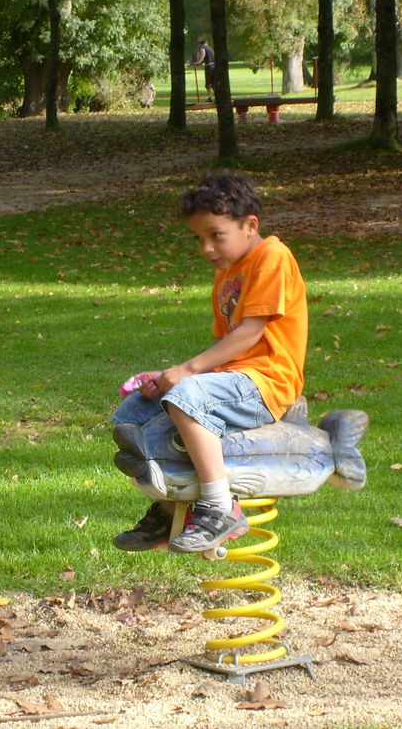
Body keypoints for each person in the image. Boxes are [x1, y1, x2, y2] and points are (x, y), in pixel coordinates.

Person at [111, 172, 308, 553]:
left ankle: (219, 508)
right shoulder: (225, 275)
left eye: (216, 235)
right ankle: (170, 507)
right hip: (232, 382)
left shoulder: (271, 256)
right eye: (198, 238)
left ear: (250, 225)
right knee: (134, 412)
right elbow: (224, 344)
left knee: (186, 394)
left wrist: (187, 374)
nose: (206, 247)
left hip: (266, 384)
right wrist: (170, 379)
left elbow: (250, 333)